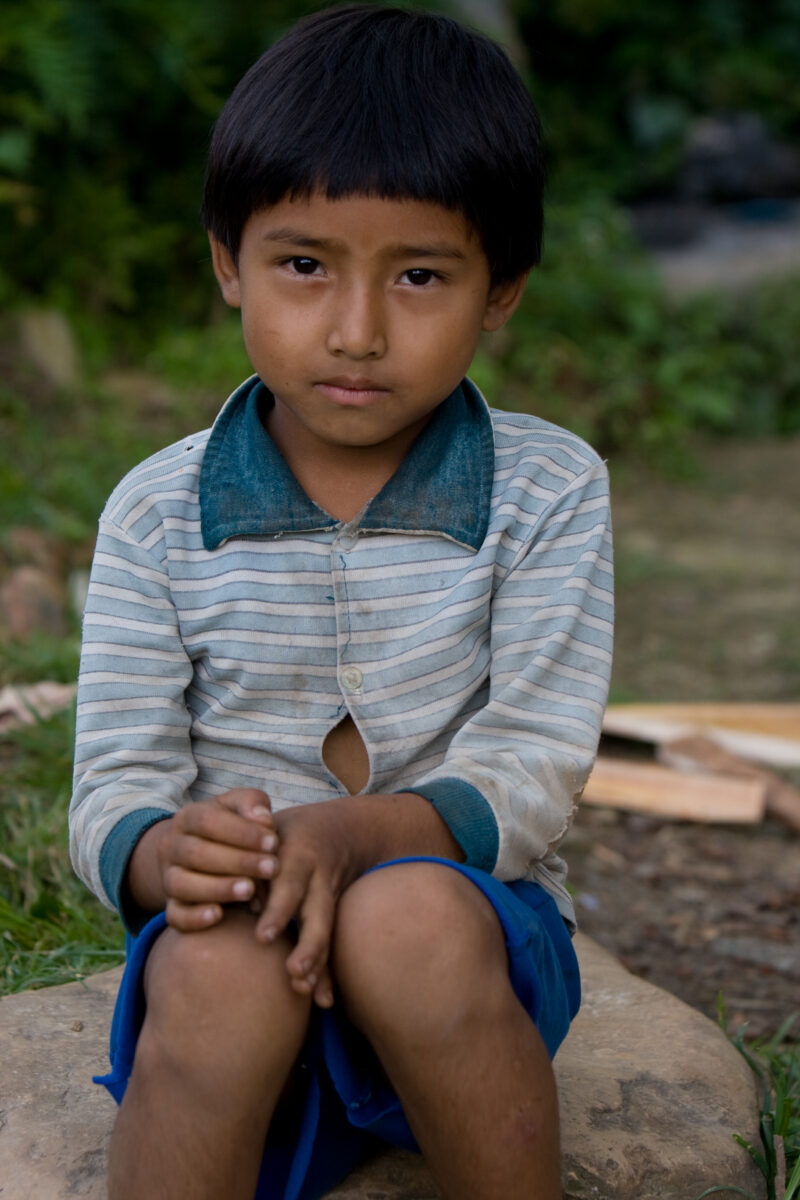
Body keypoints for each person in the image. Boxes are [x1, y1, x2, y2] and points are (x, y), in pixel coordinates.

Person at [69, 7, 614, 1199]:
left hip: (464, 951)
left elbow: (532, 765)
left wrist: (358, 836)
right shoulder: (157, 512)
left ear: (500, 289)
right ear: (228, 261)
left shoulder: (545, 489)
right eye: (304, 266)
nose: (356, 332)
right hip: (243, 958)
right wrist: (169, 853)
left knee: (402, 923)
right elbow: (112, 782)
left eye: (418, 275)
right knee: (216, 969)